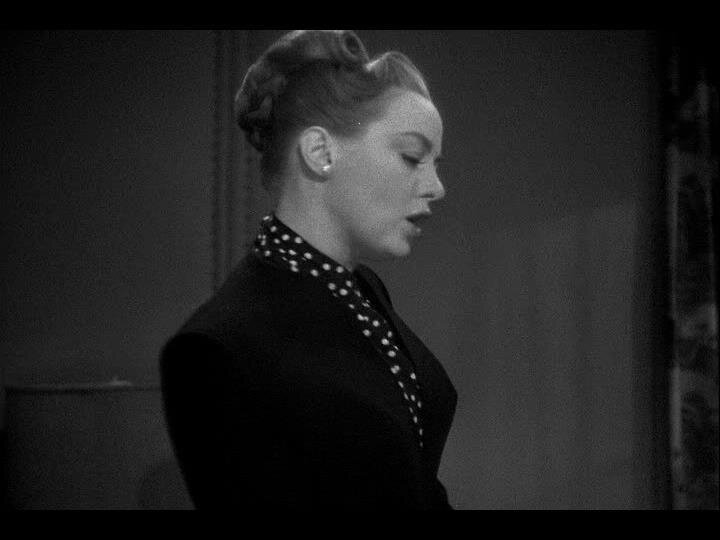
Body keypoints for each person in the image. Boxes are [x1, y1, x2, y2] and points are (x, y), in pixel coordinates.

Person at [159, 29, 457, 510]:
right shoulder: (216, 348)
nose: (436, 187)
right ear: (320, 152)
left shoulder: (361, 291)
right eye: (412, 157)